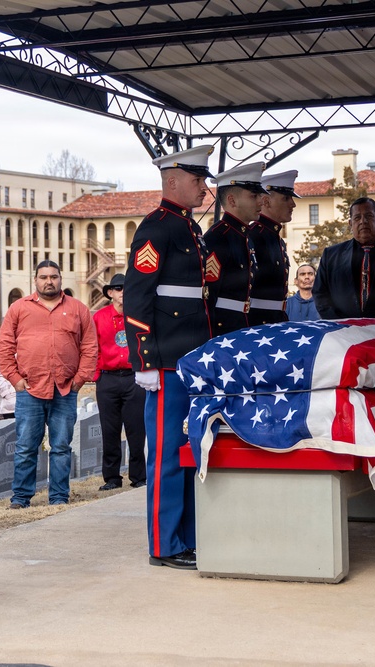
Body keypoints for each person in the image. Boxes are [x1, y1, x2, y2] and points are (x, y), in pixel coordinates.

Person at [124, 144, 215, 570]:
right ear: (173, 181)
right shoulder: (156, 228)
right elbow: (137, 300)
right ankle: (165, 544)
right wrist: (144, 362)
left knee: (190, 449)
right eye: (198, 179)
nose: (204, 186)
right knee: (166, 453)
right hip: (166, 363)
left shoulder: (189, 229)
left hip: (192, 361)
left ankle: (189, 537)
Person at [0, 260, 96, 508]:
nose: (48, 281)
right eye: (43, 277)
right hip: (30, 390)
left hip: (65, 389)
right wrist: (15, 379)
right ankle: (21, 498)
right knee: (25, 447)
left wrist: (79, 379)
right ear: (35, 280)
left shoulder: (78, 309)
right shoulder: (19, 308)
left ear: (61, 279)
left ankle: (59, 496)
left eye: (53, 276)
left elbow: (90, 347)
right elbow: (5, 347)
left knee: (61, 447)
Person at [93, 273, 146, 491]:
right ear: (110, 293)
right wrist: (96, 375)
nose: (122, 291)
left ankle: (139, 476)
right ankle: (112, 477)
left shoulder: (139, 315)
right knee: (110, 430)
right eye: (117, 288)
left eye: (125, 287)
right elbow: (92, 346)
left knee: (136, 429)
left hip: (134, 378)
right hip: (108, 378)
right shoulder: (99, 317)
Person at [204, 161, 266, 335]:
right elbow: (209, 296)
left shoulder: (246, 237)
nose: (261, 201)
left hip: (243, 326)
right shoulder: (217, 238)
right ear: (232, 200)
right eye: (254, 196)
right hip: (223, 330)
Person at [313, 197, 375, 319]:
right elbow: (320, 294)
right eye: (357, 218)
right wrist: (341, 323)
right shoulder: (331, 255)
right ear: (350, 224)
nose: (363, 221)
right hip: (343, 331)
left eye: (369, 216)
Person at [247, 170, 296, 325]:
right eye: (286, 198)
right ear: (266, 201)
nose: (293, 204)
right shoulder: (253, 236)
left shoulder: (276, 239)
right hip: (257, 321)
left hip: (276, 320)